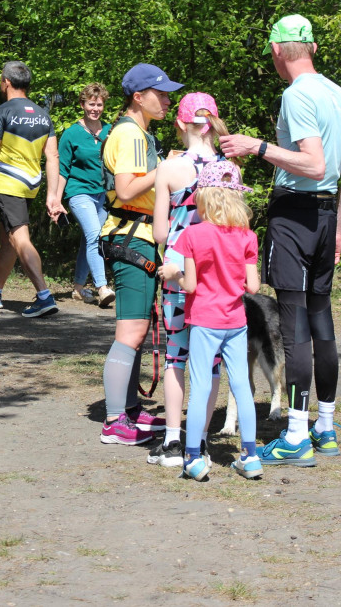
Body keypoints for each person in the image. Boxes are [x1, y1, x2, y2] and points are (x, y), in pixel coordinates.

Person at [220, 14, 341, 466]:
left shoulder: (296, 94)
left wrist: (257, 147)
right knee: (321, 322)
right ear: (314, 48)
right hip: (324, 218)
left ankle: (296, 435)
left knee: (295, 325)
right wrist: (337, 227)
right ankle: (325, 424)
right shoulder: (338, 94)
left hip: (297, 216)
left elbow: (314, 164)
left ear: (278, 51)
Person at [97, 63, 182, 445]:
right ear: (138, 96)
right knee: (130, 331)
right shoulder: (130, 134)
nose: (167, 100)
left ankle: (129, 410)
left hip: (138, 236)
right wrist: (168, 167)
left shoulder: (140, 134)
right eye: (160, 93)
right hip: (131, 237)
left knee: (137, 330)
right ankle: (115, 421)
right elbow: (128, 190)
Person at [147, 92, 228, 467]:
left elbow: (161, 234)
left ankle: (174, 440)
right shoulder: (231, 170)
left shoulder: (169, 168)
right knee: (210, 362)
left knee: (176, 358)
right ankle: (202, 439)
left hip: (178, 278)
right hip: (218, 281)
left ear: (180, 123)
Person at [170, 161, 262, 480]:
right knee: (241, 387)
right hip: (236, 321)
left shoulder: (193, 235)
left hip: (205, 322)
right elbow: (253, 287)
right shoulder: (248, 237)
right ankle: (250, 457)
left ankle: (193, 458)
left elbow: (191, 285)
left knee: (200, 388)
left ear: (204, 197)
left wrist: (175, 274)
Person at [0, 60, 65, 317]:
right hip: (32, 185)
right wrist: (52, 195)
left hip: (9, 183)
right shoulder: (43, 114)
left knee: (19, 238)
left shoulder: (0, 112)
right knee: (8, 236)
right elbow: (53, 156)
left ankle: (43, 295)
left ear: (6, 82)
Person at [54, 83, 115, 307]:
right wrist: (55, 200)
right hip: (79, 193)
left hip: (103, 195)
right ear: (82, 104)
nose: (95, 108)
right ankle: (102, 286)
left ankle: (78, 288)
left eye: (99, 104)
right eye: (91, 104)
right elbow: (62, 170)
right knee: (95, 237)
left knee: (89, 240)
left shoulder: (110, 131)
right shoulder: (71, 134)